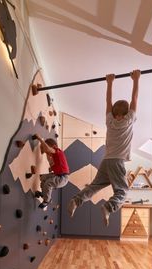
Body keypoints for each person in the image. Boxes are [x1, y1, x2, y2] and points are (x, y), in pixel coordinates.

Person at [68, 70, 141, 226]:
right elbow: (134, 98)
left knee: (95, 186)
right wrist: (136, 79)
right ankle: (109, 206)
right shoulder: (129, 120)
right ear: (127, 112)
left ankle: (76, 200)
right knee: (122, 191)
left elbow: (108, 102)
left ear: (114, 113)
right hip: (117, 162)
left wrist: (109, 82)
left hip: (106, 161)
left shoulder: (110, 120)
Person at [33, 134, 70, 209]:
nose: (46, 152)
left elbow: (48, 149)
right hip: (57, 175)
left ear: (53, 146)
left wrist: (39, 138)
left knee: (48, 183)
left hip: (63, 178)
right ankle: (44, 194)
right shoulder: (53, 156)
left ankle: (47, 201)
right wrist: (45, 152)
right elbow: (49, 159)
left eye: (45, 148)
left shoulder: (58, 151)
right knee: (43, 178)